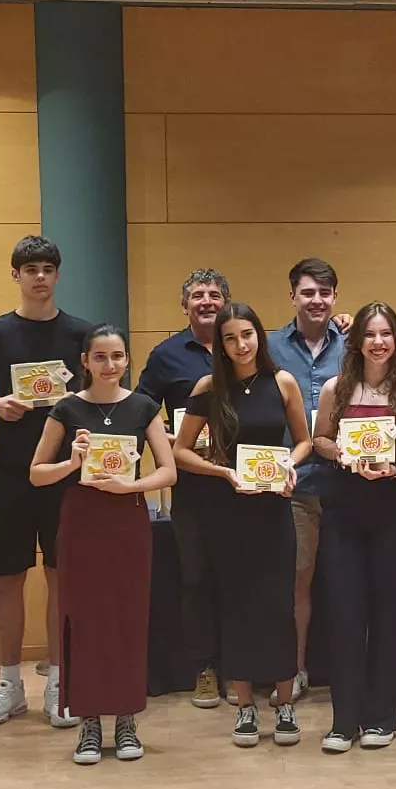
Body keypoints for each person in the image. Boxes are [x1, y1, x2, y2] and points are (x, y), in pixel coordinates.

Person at [27, 325, 177, 764]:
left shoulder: (144, 406)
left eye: (117, 357)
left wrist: (131, 485)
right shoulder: (66, 408)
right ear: (85, 362)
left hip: (127, 520)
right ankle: (88, 723)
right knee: (84, 620)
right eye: (100, 357)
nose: (110, 365)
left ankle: (127, 721)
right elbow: (36, 472)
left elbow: (167, 472)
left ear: (127, 360)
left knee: (128, 619)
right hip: (81, 522)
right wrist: (71, 463)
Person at [172, 301, 314, 746]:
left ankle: (285, 703)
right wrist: (223, 472)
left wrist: (290, 465)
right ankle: (246, 706)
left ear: (259, 336)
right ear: (220, 343)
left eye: (247, 335)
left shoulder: (283, 382)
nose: (240, 344)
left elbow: (306, 441)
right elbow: (180, 451)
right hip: (229, 510)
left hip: (274, 509)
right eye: (230, 337)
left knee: (279, 604)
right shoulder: (209, 387)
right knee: (236, 604)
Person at [0, 235, 94, 730]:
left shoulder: (81, 333)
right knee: (9, 576)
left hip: (67, 474)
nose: (39, 276)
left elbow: (96, 395)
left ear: (58, 275)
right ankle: (9, 682)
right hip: (11, 473)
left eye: (47, 268)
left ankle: (60, 677)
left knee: (62, 575)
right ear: (15, 275)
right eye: (30, 269)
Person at [309, 302, 396, 753]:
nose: (378, 342)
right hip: (344, 507)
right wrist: (339, 453)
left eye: (386, 334)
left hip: (393, 504)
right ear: (356, 341)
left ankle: (382, 717)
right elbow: (319, 439)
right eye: (370, 334)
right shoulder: (336, 389)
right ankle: (344, 720)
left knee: (387, 613)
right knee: (343, 612)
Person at [137, 269, 233, 710]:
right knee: (196, 581)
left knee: (242, 579)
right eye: (198, 295)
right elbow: (140, 410)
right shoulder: (166, 355)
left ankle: (243, 667)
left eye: (215, 295)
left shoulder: (244, 348)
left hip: (245, 488)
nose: (207, 301)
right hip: (193, 491)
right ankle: (206, 669)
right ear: (185, 305)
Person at [269, 257, 345, 708]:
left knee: (346, 583)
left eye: (325, 292)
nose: (317, 300)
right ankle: (295, 669)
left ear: (335, 296)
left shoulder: (354, 344)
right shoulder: (269, 346)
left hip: (346, 485)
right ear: (293, 295)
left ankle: (344, 669)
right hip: (293, 487)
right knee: (297, 584)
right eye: (308, 292)